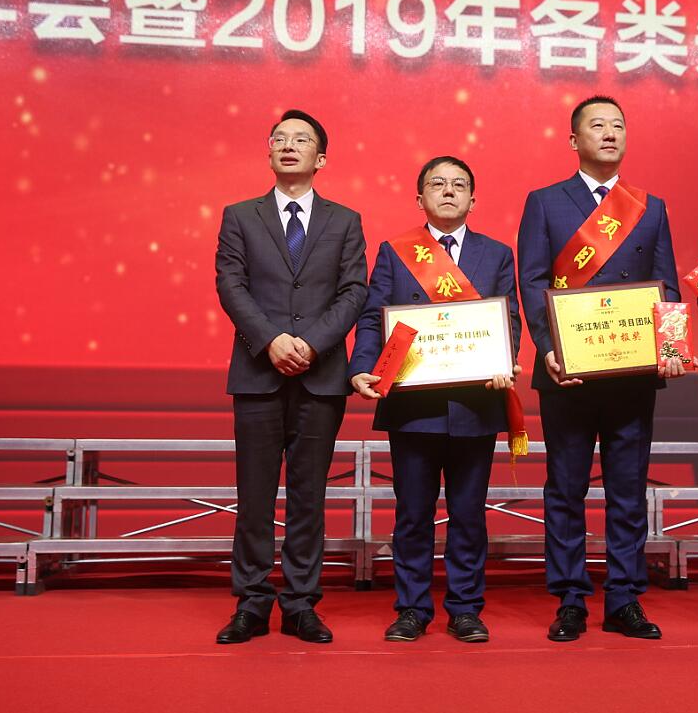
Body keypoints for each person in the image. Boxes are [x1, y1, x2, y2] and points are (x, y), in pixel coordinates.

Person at [517, 96, 687, 642]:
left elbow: (666, 282)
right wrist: (549, 348)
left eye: (618, 126)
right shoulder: (545, 202)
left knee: (628, 490)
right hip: (566, 372)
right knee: (565, 489)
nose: (610, 133)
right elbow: (532, 281)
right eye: (597, 125)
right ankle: (570, 598)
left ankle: (624, 598)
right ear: (574, 140)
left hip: (632, 373)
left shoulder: (650, 207)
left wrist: (672, 347)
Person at [349, 156, 521, 643]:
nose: (448, 191)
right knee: (413, 515)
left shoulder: (496, 254)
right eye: (438, 184)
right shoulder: (394, 252)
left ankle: (465, 608)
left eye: (459, 185)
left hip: (474, 405)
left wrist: (505, 360)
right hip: (413, 408)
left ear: (473, 199)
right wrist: (361, 365)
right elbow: (373, 316)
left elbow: (508, 319)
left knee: (468, 515)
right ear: (419, 197)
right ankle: (412, 609)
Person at [213, 109, 368, 644]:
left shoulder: (345, 220)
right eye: (280, 138)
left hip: (321, 378)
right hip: (258, 372)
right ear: (269, 152)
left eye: (302, 140)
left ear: (320, 158)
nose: (289, 145)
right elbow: (230, 284)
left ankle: (301, 603)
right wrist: (271, 340)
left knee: (308, 496)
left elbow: (354, 290)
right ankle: (252, 602)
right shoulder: (240, 215)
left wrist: (313, 343)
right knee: (254, 496)